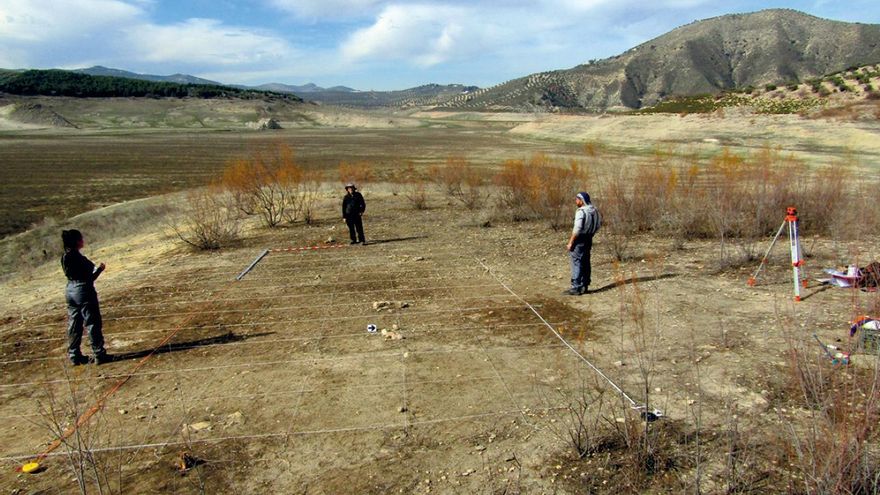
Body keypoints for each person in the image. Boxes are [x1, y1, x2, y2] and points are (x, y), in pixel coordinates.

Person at [61, 229, 111, 365]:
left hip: (70, 290)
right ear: (77, 241)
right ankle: (99, 353)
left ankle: (74, 355)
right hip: (83, 290)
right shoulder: (79, 258)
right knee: (92, 321)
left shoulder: (65, 256)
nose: (83, 240)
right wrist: (100, 269)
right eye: (81, 238)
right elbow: (90, 277)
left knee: (74, 323)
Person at [565, 192, 600, 295]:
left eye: (577, 199)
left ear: (581, 200)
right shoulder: (595, 210)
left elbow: (577, 228)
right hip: (589, 238)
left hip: (579, 239)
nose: (576, 201)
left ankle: (576, 286)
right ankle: (585, 285)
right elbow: (598, 225)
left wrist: (571, 242)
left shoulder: (581, 211)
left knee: (577, 261)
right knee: (586, 261)